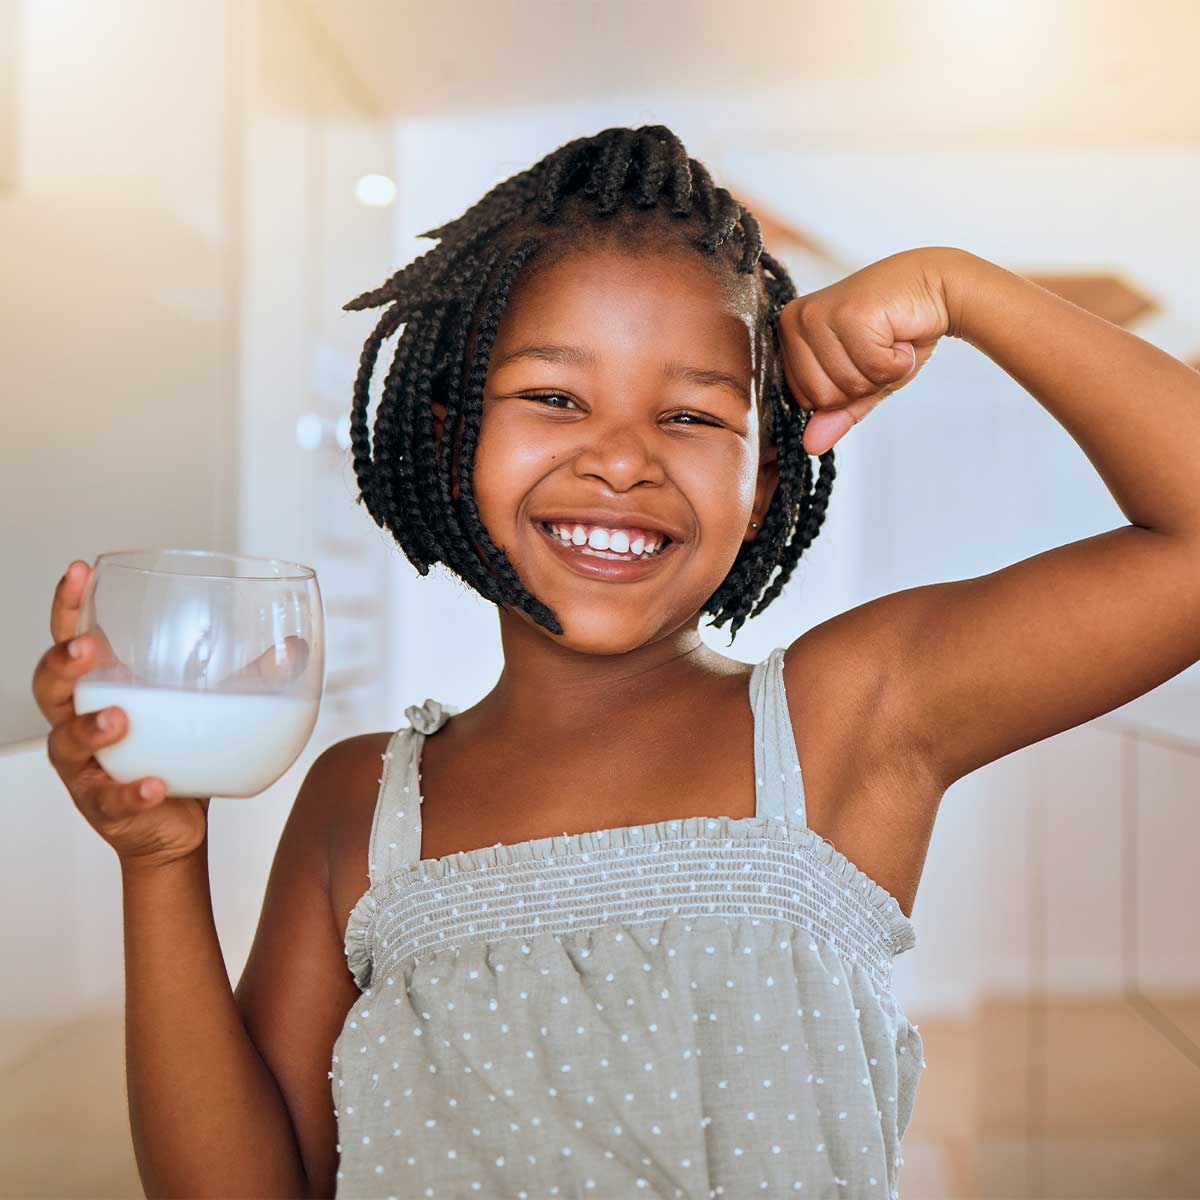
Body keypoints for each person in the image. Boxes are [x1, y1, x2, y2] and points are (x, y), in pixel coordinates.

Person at [33, 124, 1200, 1199]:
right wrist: (159, 862)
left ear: (769, 479)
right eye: (554, 397)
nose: (621, 461)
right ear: (448, 441)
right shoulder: (360, 805)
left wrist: (965, 286)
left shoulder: (851, 719)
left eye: (692, 417)